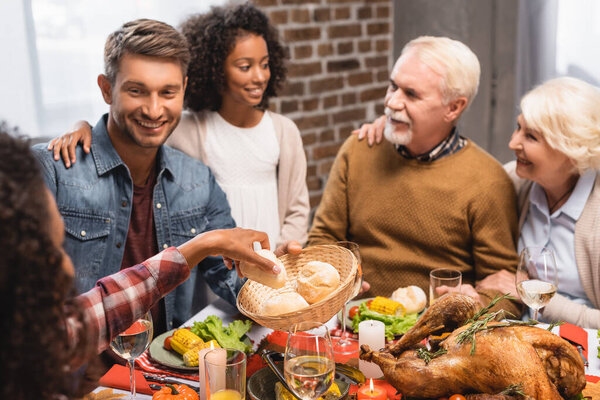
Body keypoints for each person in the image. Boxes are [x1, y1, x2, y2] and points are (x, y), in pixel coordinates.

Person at [0, 125, 280, 398]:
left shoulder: (36, 338)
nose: (68, 266)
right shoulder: (61, 168)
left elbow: (101, 308)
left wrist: (207, 246)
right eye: (52, 252)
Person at [31, 19, 242, 334]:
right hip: (82, 375)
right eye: (137, 91)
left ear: (183, 89)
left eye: (167, 92)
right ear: (106, 89)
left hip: (166, 374)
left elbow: (229, 276)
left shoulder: (198, 179)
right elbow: (25, 303)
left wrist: (276, 276)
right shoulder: (54, 170)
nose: (154, 110)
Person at [47, 3, 309, 250]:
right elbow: (127, 138)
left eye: (265, 65)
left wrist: (278, 256)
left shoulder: (282, 131)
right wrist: (82, 127)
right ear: (216, 69)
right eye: (245, 66)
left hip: (265, 261)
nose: (259, 76)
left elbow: (297, 208)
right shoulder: (186, 129)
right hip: (208, 269)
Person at [308, 36, 520, 315]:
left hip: (435, 339)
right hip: (352, 320)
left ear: (453, 107)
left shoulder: (487, 181)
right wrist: (333, 280)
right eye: (393, 86)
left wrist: (473, 305)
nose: (392, 102)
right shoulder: (359, 149)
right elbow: (323, 240)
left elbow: (505, 290)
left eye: (411, 94)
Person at [504, 77, 600, 328]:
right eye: (518, 127)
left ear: (572, 149)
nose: (513, 143)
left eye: (531, 137)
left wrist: (533, 297)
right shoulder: (517, 181)